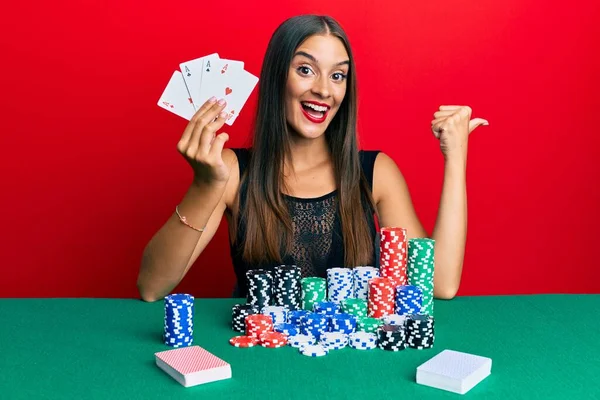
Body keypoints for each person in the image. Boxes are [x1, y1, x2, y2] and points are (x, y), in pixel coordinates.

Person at [137, 14, 488, 303]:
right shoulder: (231, 170)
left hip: (352, 367)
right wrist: (204, 185)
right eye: (305, 69)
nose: (323, 89)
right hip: (262, 363)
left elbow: (441, 284)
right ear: (277, 78)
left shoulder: (375, 173)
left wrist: (455, 157)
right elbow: (152, 286)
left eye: (338, 75)